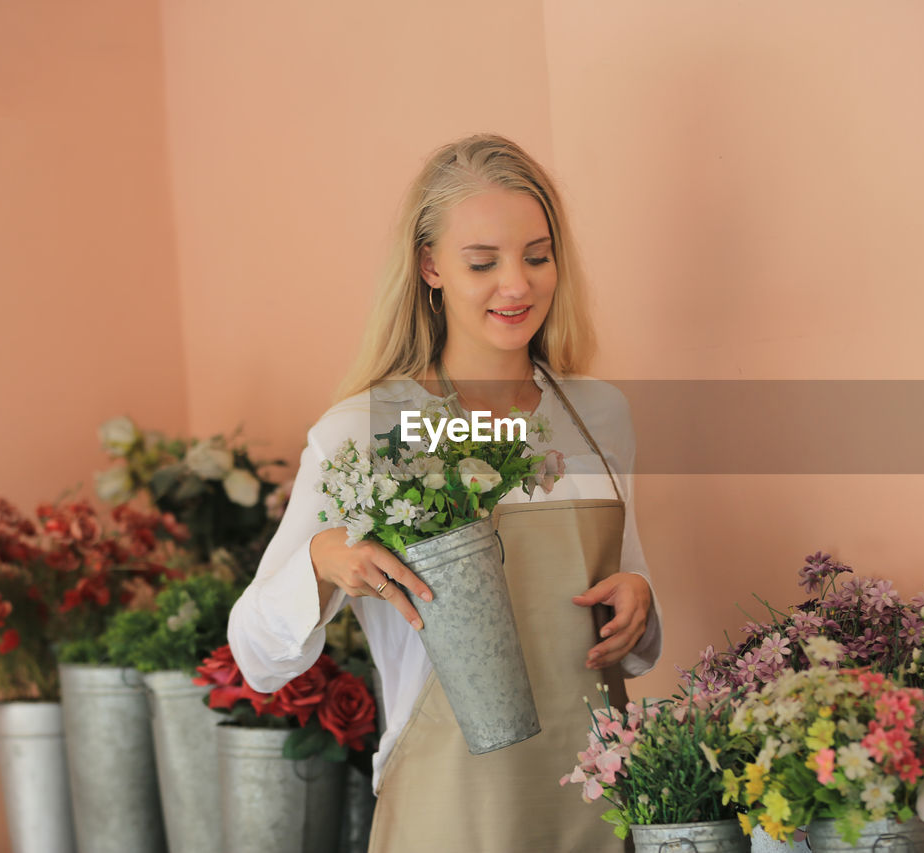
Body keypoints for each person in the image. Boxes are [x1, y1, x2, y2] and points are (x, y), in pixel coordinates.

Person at [227, 133, 662, 852]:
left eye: (537, 255)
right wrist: (322, 559)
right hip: (448, 812)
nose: (517, 285)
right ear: (429, 266)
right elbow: (257, 654)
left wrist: (637, 606)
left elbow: (634, 626)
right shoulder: (365, 431)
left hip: (597, 801)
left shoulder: (600, 414)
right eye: (483, 262)